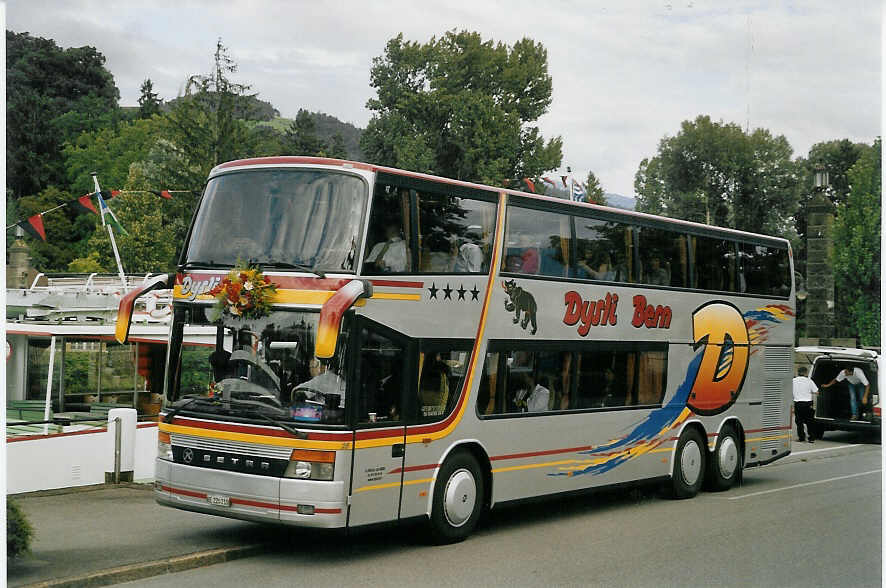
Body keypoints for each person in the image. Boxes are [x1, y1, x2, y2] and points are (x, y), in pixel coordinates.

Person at [792, 366, 818, 442]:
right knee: (810, 421)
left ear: (798, 372)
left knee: (799, 422)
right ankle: (811, 438)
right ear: (806, 373)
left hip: (798, 404)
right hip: (808, 404)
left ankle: (801, 438)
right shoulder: (809, 381)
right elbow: (816, 392)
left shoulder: (793, 381)